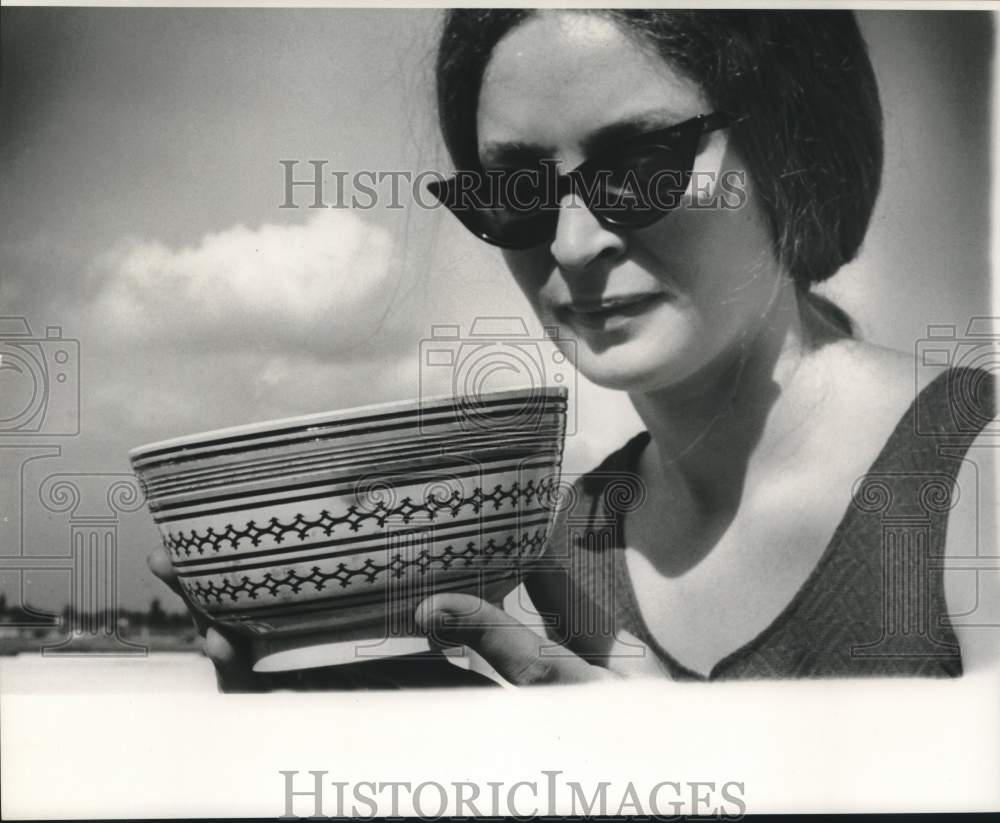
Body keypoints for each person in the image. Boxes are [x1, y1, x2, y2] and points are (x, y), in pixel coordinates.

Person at [149, 9, 996, 688]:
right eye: (515, 192)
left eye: (638, 163)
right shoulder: (565, 549)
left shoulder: (974, 472)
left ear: (789, 146)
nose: (571, 243)